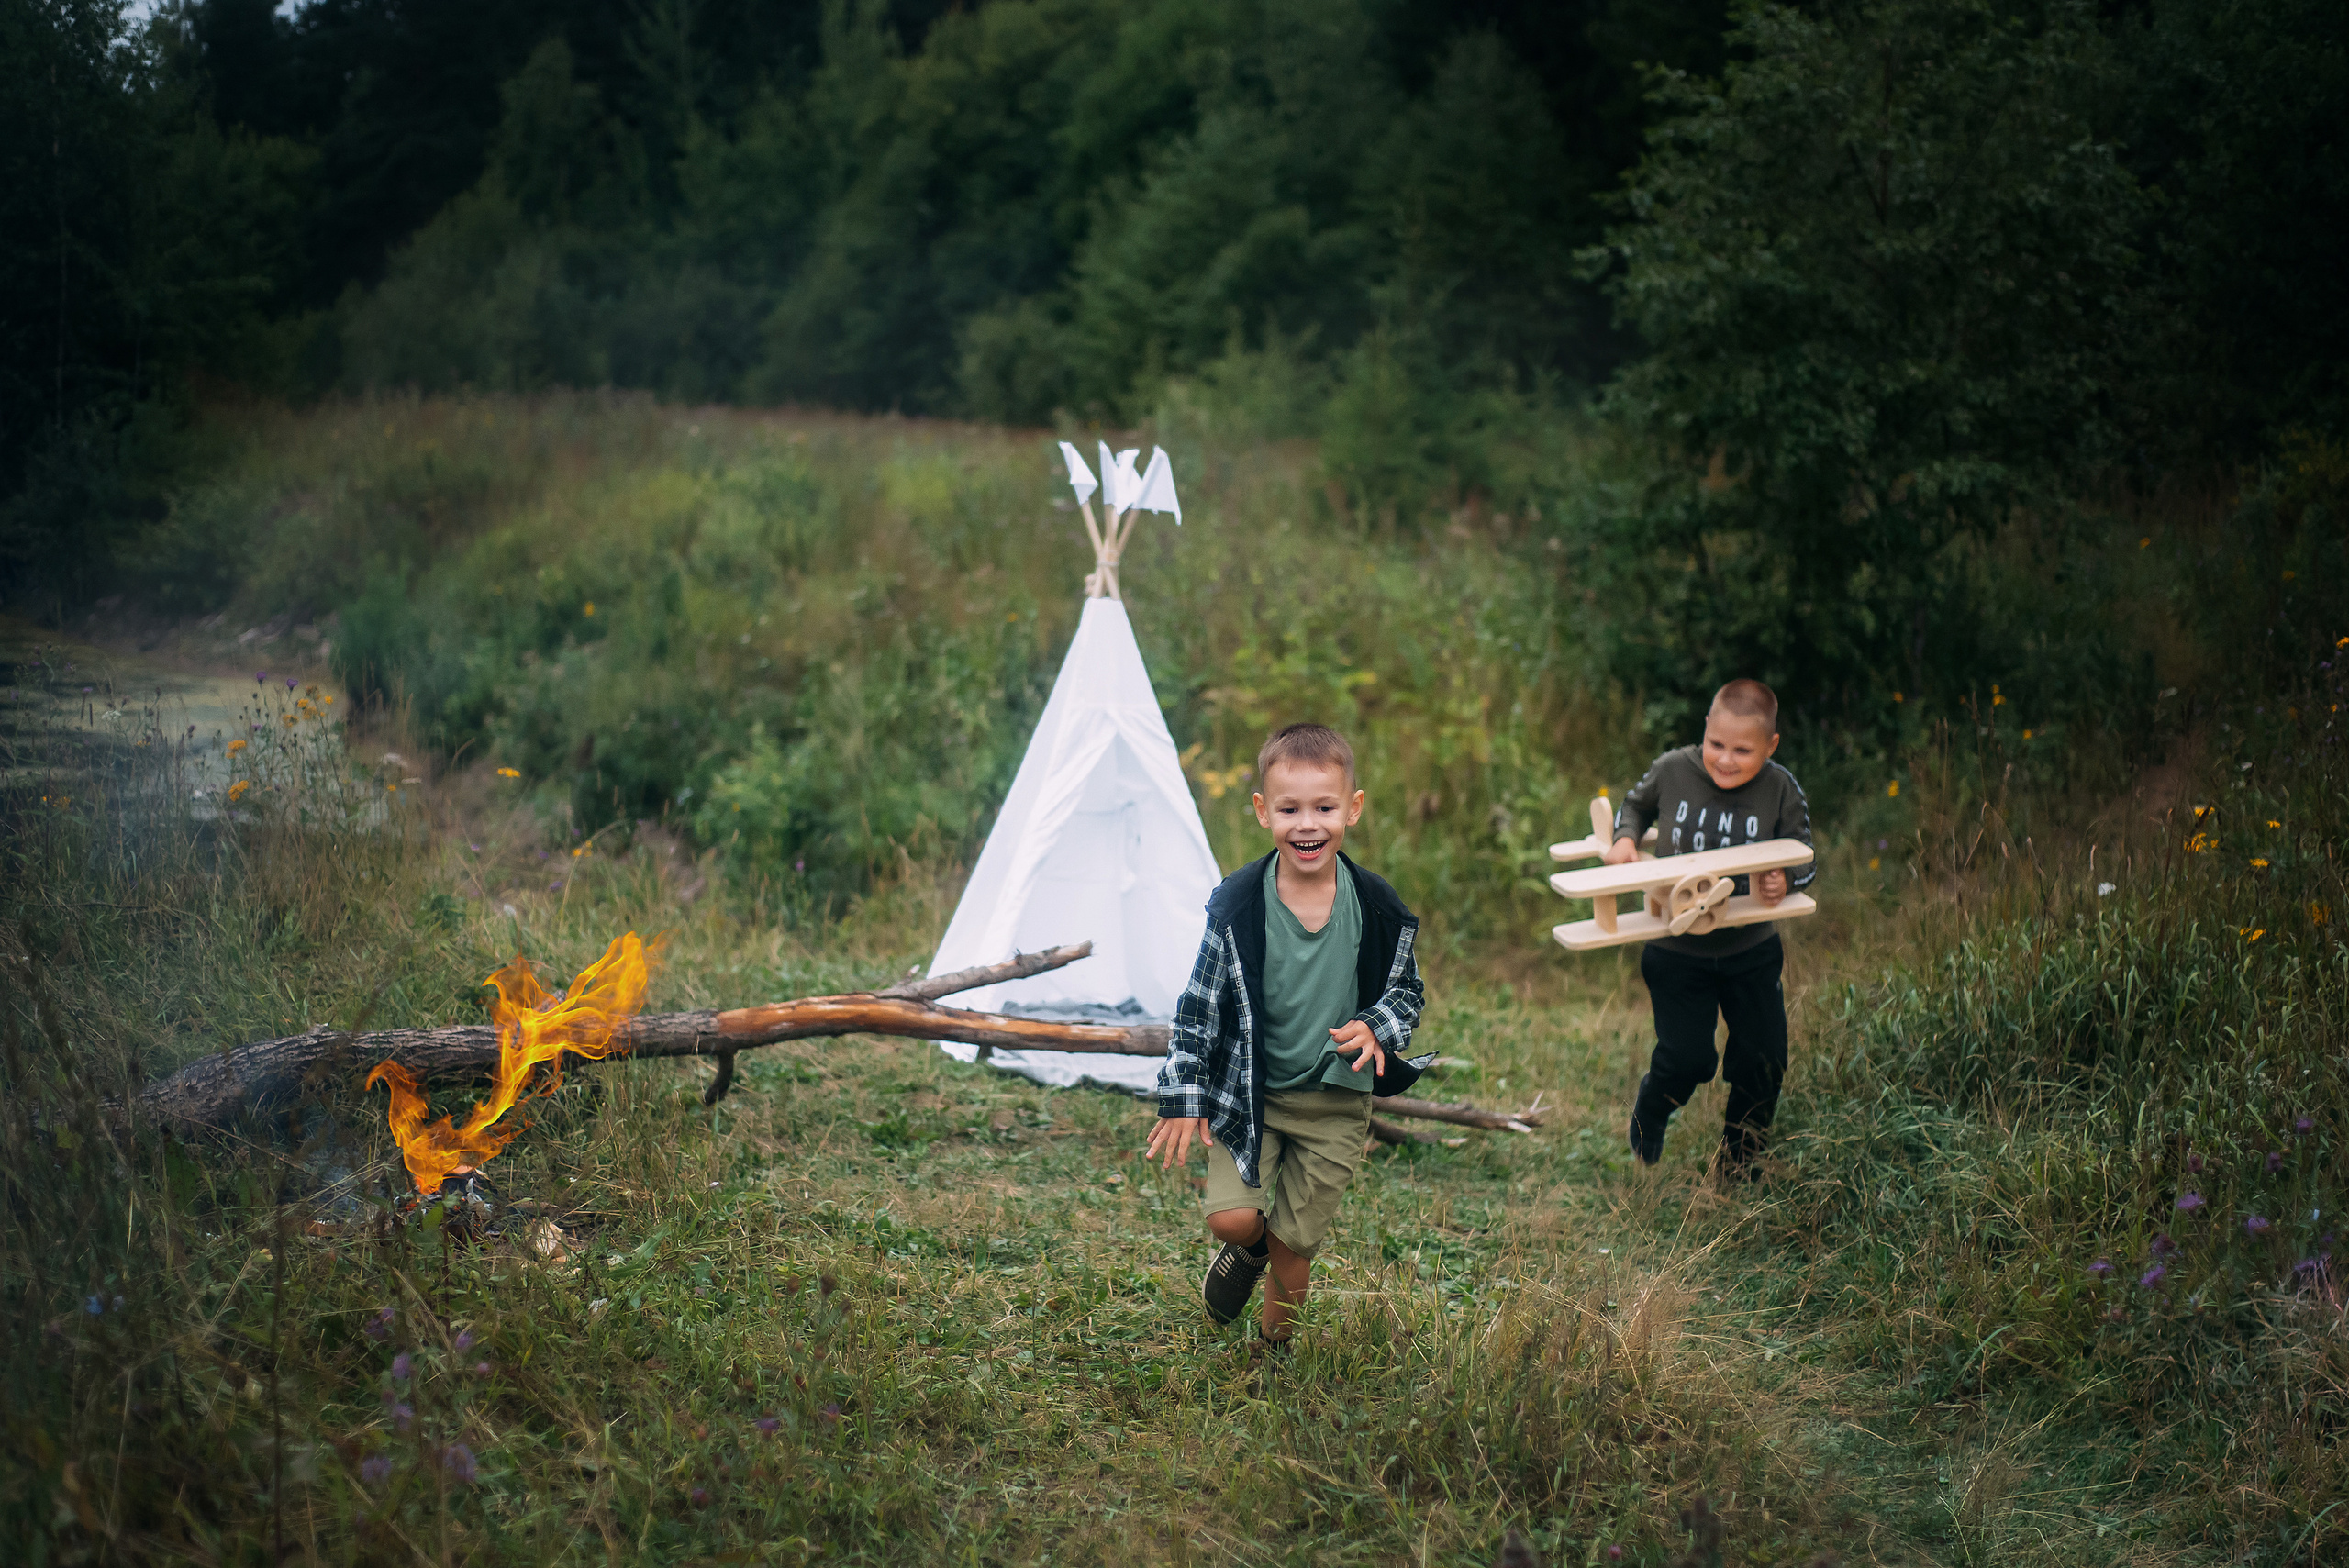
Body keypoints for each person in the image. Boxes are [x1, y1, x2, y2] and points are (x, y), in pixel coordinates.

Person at [1145, 722, 1428, 1342]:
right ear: (1261, 811)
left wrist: (1377, 1024)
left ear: (1353, 807)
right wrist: (1185, 1092)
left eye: (1325, 807)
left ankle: (1274, 1350)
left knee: (1295, 1241)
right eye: (1290, 808)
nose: (1308, 824)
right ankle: (1248, 1252)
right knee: (1232, 1217)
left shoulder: (1377, 907)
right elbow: (1199, 1006)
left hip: (1334, 1103)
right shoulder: (1239, 904)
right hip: (1253, 1097)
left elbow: (1407, 995)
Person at [1606, 679, 1814, 1179]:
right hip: (1677, 949)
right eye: (1716, 744)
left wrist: (1783, 879)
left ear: (1771, 746)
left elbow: (1805, 858)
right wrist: (1624, 839)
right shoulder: (1674, 769)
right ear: (1705, 730)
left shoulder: (1779, 788)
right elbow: (1633, 807)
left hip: (1751, 950)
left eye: (1743, 750)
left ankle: (1738, 1168)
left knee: (1762, 1061)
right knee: (1689, 1058)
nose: (1724, 759)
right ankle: (1650, 1112)